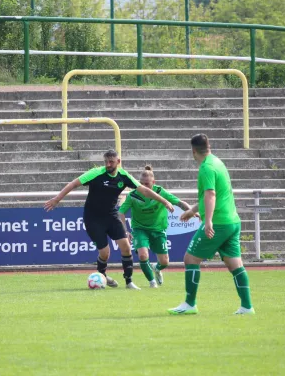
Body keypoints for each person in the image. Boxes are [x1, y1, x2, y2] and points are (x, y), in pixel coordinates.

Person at [44, 149, 174, 290]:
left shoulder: (123, 176)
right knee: (105, 253)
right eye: (106, 161)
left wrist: (165, 201)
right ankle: (102, 275)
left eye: (111, 162)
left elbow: (144, 190)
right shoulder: (96, 173)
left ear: (118, 162)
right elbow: (73, 184)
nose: (108, 164)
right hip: (93, 218)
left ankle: (129, 282)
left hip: (111, 216)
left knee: (125, 247)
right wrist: (57, 199)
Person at [168, 134, 254, 315]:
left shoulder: (206, 167)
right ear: (209, 146)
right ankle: (247, 306)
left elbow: (211, 195)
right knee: (235, 264)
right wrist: (192, 211)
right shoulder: (217, 162)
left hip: (219, 222)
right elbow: (215, 194)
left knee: (190, 259)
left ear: (193, 151)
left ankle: (190, 304)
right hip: (232, 222)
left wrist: (208, 221)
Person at [118, 165, 192, 288]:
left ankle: (157, 269)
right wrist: (125, 231)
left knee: (164, 262)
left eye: (147, 184)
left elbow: (179, 202)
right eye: (142, 184)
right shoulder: (133, 195)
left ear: (154, 182)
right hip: (140, 229)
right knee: (143, 255)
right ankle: (152, 283)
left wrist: (192, 212)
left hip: (158, 229)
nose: (144, 187)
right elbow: (120, 212)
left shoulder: (160, 192)